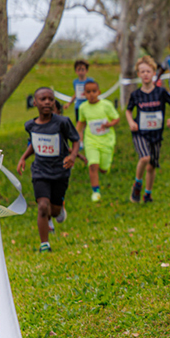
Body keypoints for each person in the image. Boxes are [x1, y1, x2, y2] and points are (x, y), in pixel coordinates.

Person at [16, 87, 80, 253]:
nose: (47, 102)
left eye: (50, 99)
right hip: (40, 171)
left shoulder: (62, 122)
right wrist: (23, 157)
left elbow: (75, 140)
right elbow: (34, 143)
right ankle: (44, 244)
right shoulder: (30, 125)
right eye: (43, 99)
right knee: (43, 206)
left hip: (60, 171)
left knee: (55, 210)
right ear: (35, 102)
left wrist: (73, 156)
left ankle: (59, 209)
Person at [126, 56, 170, 203]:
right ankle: (137, 183)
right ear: (138, 74)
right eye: (142, 71)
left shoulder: (161, 92)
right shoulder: (136, 94)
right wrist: (131, 122)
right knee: (145, 158)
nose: (145, 74)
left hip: (156, 134)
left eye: (148, 71)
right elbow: (128, 110)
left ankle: (147, 194)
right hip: (140, 133)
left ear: (154, 73)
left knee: (151, 166)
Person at [76, 81, 120, 202]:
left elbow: (116, 118)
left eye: (94, 91)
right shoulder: (83, 107)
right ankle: (96, 191)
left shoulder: (106, 105)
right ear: (84, 94)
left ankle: (103, 166)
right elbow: (81, 122)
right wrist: (75, 136)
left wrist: (109, 124)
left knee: (104, 169)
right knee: (93, 165)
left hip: (106, 141)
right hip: (91, 141)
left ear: (99, 92)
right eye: (88, 92)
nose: (91, 94)